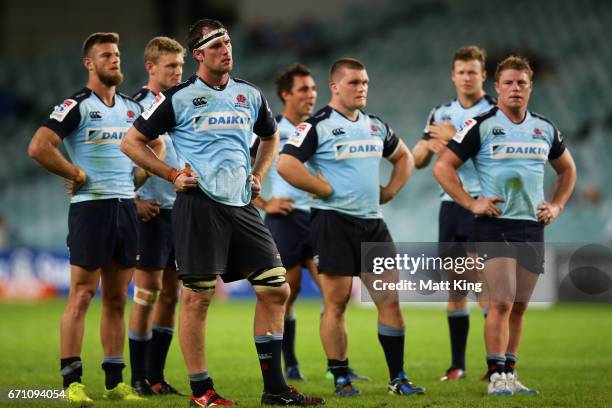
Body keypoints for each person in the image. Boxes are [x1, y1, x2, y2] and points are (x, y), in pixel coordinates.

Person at [120, 18, 325, 407]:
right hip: (199, 207)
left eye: (227, 42)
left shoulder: (249, 93)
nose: (226, 50)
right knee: (197, 299)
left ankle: (275, 390)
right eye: (216, 45)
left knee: (276, 289)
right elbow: (132, 142)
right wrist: (171, 173)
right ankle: (202, 392)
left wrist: (258, 174)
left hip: (242, 205)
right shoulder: (178, 98)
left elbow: (271, 136)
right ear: (198, 55)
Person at [277, 58, 424, 397]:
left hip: (374, 224)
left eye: (365, 83)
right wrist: (322, 189)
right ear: (335, 86)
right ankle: (341, 376)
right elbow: (285, 164)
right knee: (337, 303)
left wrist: (389, 191)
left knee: (390, 301)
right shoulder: (317, 125)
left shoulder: (375, 125)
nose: (362, 88)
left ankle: (398, 378)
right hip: (333, 223)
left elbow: (405, 157)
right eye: (355, 82)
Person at [433, 55, 576, 396]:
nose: (515, 88)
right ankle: (496, 375)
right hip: (493, 226)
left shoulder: (544, 128)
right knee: (500, 302)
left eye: (521, 83)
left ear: (530, 87)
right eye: (509, 83)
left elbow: (568, 170)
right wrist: (471, 203)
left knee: (520, 305)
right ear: (496, 87)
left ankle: (510, 372)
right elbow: (443, 167)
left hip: (531, 226)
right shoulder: (481, 124)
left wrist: (556, 205)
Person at [28, 32, 145, 404]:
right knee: (81, 295)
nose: (114, 60)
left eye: (117, 54)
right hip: (91, 209)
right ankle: (72, 383)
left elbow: (154, 146)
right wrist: (75, 173)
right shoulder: (75, 105)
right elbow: (38, 146)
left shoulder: (132, 108)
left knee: (116, 300)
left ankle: (114, 383)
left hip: (126, 208)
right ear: (88, 64)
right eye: (106, 55)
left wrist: (137, 176)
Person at [412, 45, 494, 382]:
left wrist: (455, 139)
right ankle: (457, 366)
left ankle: (496, 366)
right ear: (453, 76)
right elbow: (418, 160)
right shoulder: (441, 112)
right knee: (457, 287)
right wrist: (427, 148)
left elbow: (493, 156)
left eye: (472, 72)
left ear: (483, 76)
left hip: (482, 204)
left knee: (487, 288)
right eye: (461, 72)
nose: (466, 78)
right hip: (450, 206)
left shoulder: (495, 112)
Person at [127, 36, 185, 396]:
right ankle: (137, 377)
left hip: (181, 212)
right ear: (151, 67)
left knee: (171, 296)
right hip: (149, 212)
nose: (178, 72)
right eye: (171, 66)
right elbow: (118, 159)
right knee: (147, 293)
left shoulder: (185, 102)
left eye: (180, 66)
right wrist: (133, 200)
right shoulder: (134, 107)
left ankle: (157, 376)